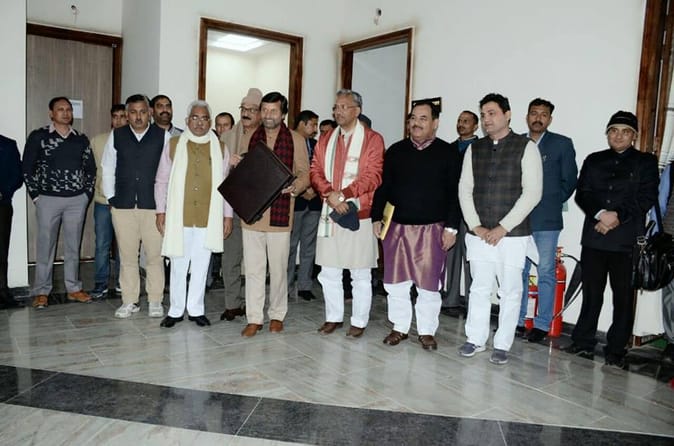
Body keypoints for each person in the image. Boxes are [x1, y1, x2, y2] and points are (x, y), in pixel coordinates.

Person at [565, 111, 658, 368]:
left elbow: (646, 197)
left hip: (626, 241)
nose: (618, 136)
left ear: (634, 136)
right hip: (594, 238)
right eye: (613, 131)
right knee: (591, 294)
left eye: (625, 132)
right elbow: (583, 193)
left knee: (623, 298)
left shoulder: (645, 162)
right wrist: (600, 215)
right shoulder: (594, 160)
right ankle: (583, 342)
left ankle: (616, 349)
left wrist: (616, 217)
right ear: (607, 133)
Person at [457, 93, 542, 365]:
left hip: (513, 235)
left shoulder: (526, 147)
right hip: (479, 233)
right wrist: (476, 226)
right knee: (479, 288)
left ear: (507, 115)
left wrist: (503, 227)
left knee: (510, 291)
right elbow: (464, 189)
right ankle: (475, 338)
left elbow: (532, 193)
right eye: (483, 115)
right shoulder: (475, 149)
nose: (486, 119)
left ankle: (503, 343)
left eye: (492, 113)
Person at [372, 100, 461, 350]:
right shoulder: (396, 151)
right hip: (397, 228)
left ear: (435, 123)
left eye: (423, 118)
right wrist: (377, 217)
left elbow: (455, 194)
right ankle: (399, 327)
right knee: (395, 283)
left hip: (433, 229)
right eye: (413, 118)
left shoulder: (448, 153)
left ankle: (426, 331)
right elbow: (384, 186)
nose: (416, 123)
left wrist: (451, 228)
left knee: (428, 284)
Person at [311, 89, 385, 338]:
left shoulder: (372, 139)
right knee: (329, 271)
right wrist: (329, 194)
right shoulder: (326, 139)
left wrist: (343, 195)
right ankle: (333, 317)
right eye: (336, 107)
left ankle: (359, 321)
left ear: (357, 110)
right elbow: (315, 170)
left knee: (360, 272)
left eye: (344, 107)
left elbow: (374, 175)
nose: (338, 111)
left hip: (359, 214)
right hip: (330, 213)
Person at [155, 100, 233, 328]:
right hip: (179, 216)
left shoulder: (220, 148)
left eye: (204, 118)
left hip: (208, 217)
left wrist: (227, 216)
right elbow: (161, 181)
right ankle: (176, 310)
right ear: (187, 121)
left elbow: (226, 186)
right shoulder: (173, 144)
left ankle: (196, 310)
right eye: (195, 118)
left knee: (201, 266)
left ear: (210, 122)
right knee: (178, 265)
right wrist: (160, 211)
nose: (200, 123)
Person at [239, 91, 310, 337]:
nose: (268, 115)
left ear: (283, 114)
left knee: (279, 269)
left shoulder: (296, 139)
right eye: (265, 110)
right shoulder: (250, 135)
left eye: (273, 111)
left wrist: (296, 187)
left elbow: (305, 172)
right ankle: (254, 318)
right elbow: (242, 168)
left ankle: (277, 314)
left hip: (280, 215)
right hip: (252, 215)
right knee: (254, 269)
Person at [23, 96, 97, 309]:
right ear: (51, 113)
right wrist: (36, 196)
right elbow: (27, 167)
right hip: (48, 200)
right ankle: (41, 291)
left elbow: (90, 169)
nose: (66, 113)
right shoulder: (39, 136)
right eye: (60, 109)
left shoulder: (80, 139)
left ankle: (73, 288)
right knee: (45, 247)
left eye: (68, 109)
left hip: (76, 200)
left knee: (73, 246)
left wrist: (86, 195)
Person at [102, 94, 170, 319]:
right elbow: (108, 167)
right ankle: (129, 300)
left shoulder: (163, 136)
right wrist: (111, 198)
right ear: (127, 114)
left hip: (154, 207)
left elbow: (170, 171)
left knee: (155, 256)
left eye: (142, 112)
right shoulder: (117, 135)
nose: (138, 116)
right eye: (133, 112)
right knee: (127, 256)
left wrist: (165, 205)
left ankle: (155, 300)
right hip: (123, 206)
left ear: (149, 113)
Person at [516, 98, 578, 342]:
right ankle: (518, 320)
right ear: (527, 116)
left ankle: (542, 324)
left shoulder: (562, 144)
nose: (538, 118)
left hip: (547, 219)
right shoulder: (517, 142)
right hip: (518, 219)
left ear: (550, 119)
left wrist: (551, 201)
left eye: (543, 114)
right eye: (534, 113)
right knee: (518, 271)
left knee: (545, 271)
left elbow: (569, 181)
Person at [219, 87, 263, 322]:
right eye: (243, 109)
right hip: (232, 207)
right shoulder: (227, 138)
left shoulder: (268, 136)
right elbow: (217, 173)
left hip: (259, 208)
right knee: (231, 258)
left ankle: (254, 305)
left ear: (261, 113)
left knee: (256, 261)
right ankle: (232, 304)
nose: (246, 113)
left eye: (252, 110)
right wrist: (229, 165)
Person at [442, 110, 479, 317]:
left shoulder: (481, 148)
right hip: (451, 210)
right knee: (451, 257)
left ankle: (473, 303)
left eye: (466, 121)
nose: (461, 124)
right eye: (459, 120)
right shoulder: (448, 149)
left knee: (471, 258)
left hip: (472, 211)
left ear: (475, 126)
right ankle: (451, 300)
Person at [90, 104, 127, 299]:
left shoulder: (133, 141)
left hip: (125, 203)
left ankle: (123, 282)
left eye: (122, 116)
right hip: (103, 202)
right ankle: (100, 283)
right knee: (102, 245)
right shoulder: (98, 141)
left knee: (125, 245)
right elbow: (92, 170)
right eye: (115, 116)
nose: (119, 120)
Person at [287, 110, 321, 301]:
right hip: (295, 201)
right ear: (302, 123)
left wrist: (314, 189)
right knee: (290, 246)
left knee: (309, 246)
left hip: (314, 202)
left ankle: (305, 286)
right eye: (313, 124)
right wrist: (302, 189)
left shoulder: (316, 145)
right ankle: (286, 286)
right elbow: (286, 170)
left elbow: (321, 170)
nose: (315, 129)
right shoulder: (288, 142)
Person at [206, 110, 235, 290]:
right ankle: (209, 277)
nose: (222, 129)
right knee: (209, 243)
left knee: (228, 244)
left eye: (226, 125)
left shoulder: (237, 143)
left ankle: (224, 276)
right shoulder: (209, 144)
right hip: (210, 202)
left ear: (232, 126)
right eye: (218, 125)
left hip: (232, 202)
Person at [0, 134, 23, 308]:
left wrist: (3, 192)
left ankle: (2, 292)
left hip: (2, 205)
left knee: (1, 251)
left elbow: (17, 175)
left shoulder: (7, 144)